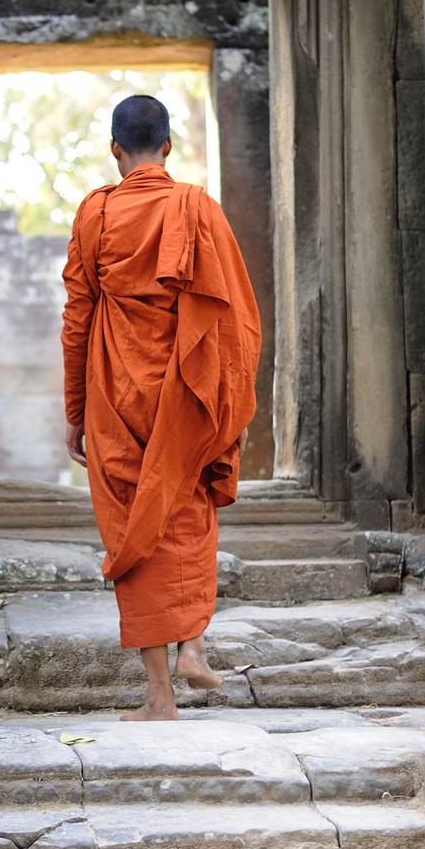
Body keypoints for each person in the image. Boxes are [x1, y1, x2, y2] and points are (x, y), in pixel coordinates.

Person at [61, 94, 261, 721]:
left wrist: (75, 409)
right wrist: (223, 399)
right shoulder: (197, 207)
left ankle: (158, 697)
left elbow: (77, 318)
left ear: (115, 150)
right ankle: (193, 648)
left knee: (132, 526)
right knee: (188, 505)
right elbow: (236, 316)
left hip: (116, 395)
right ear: (168, 147)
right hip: (187, 390)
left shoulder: (96, 213)